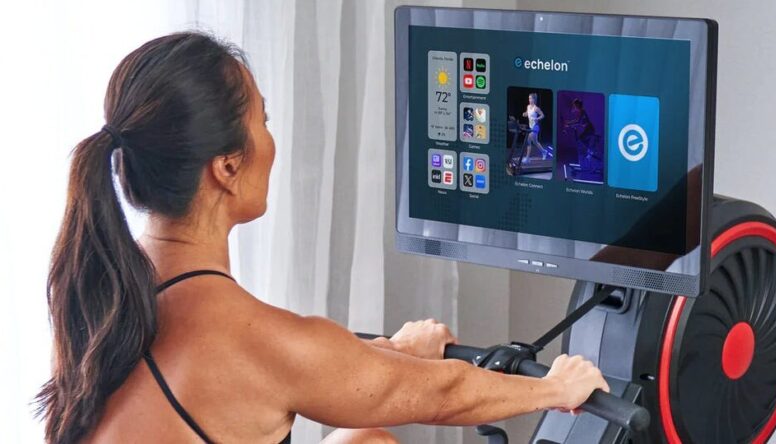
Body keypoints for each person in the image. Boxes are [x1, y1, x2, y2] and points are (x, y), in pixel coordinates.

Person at [36, 32, 609, 444]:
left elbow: (292, 369)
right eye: (263, 120)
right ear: (227, 167)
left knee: (366, 442)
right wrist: (556, 388)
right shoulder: (246, 335)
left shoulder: (109, 288)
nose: (271, 139)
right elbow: (439, 395)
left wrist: (395, 354)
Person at [521, 93, 549, 162]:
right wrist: (525, 114)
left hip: (536, 126)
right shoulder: (528, 106)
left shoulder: (536, 108)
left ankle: (527, 158)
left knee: (528, 139)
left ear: (534, 99)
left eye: (531, 98)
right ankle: (544, 152)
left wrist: (537, 119)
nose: (529, 100)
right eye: (529, 98)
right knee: (535, 142)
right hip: (531, 127)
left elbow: (542, 115)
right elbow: (527, 113)